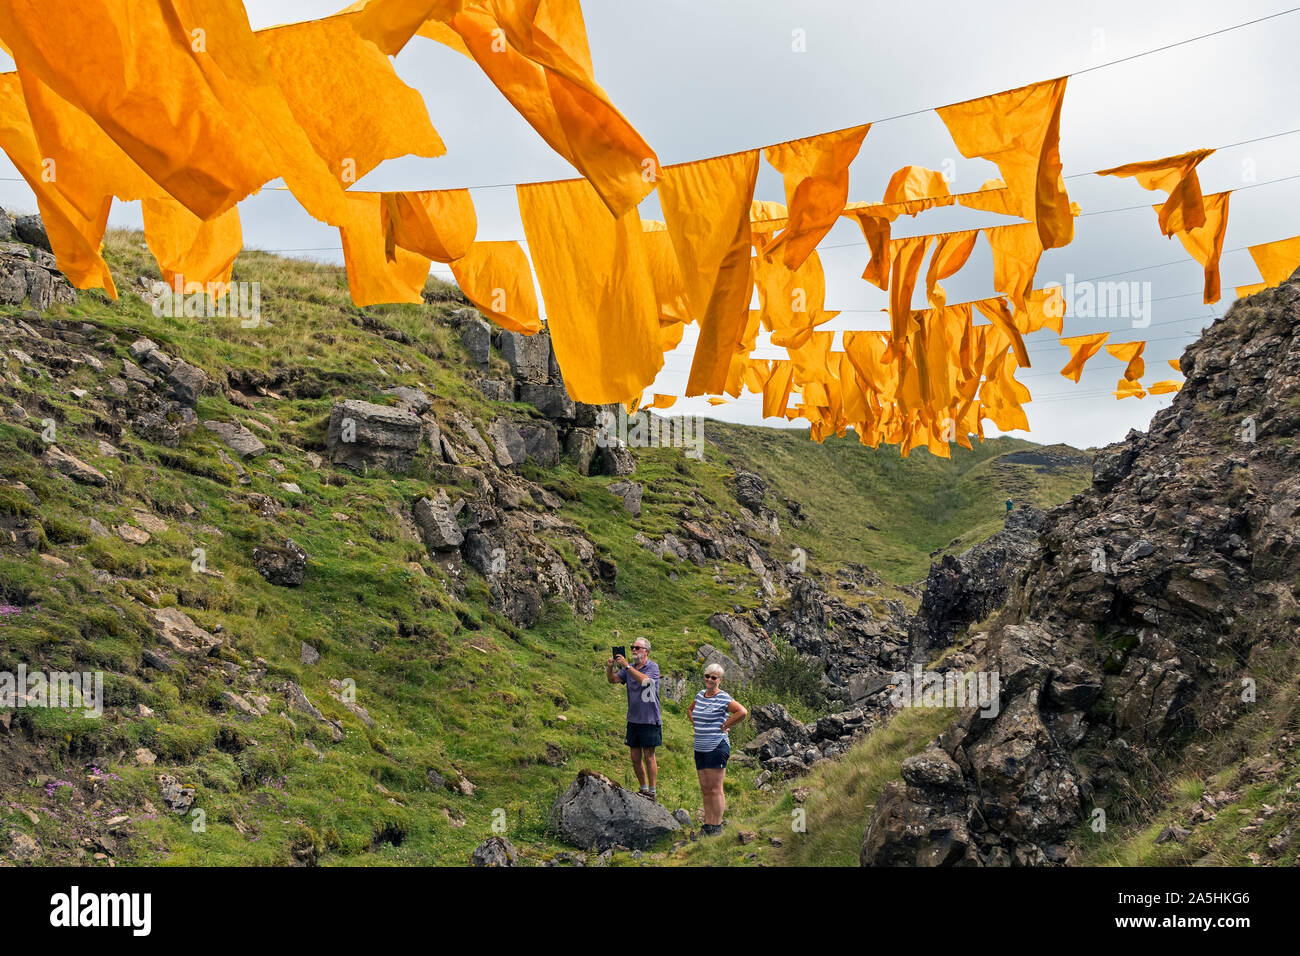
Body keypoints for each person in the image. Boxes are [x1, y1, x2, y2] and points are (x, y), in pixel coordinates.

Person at [686, 663, 747, 836]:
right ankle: (708, 824)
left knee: (716, 788)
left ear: (719, 680)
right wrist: (696, 724)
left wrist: (726, 725)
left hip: (716, 746)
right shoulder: (700, 695)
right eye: (707, 676)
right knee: (705, 788)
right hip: (700, 747)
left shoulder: (724, 698)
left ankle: (717, 826)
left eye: (713, 677)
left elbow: (742, 712)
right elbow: (689, 709)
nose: (709, 680)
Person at [605, 638, 661, 801]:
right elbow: (613, 680)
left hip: (650, 718)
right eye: (632, 647)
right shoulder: (629, 668)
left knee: (649, 755)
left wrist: (626, 666)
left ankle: (652, 791)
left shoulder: (653, 667)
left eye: (637, 648)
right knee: (635, 756)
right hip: (634, 719)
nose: (634, 650)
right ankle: (643, 789)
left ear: (646, 651)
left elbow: (645, 681)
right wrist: (610, 667)